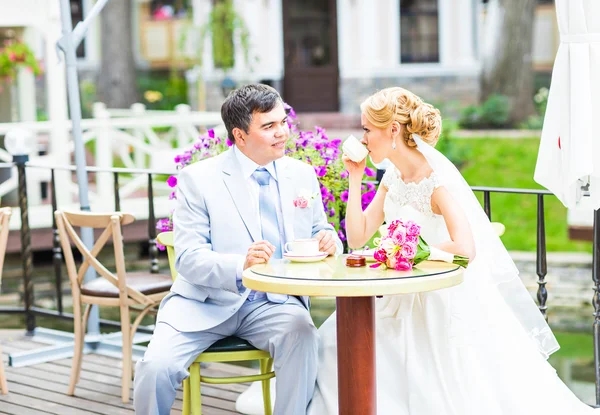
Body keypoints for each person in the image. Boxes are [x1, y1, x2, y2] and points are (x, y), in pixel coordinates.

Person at [308, 87, 599, 414]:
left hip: (437, 298)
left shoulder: (436, 181)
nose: (361, 138)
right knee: (334, 341)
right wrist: (355, 178)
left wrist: (408, 252)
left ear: (392, 130)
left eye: (366, 129)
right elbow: (359, 237)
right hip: (395, 295)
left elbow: (466, 247)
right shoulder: (392, 176)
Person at [134, 84, 343, 415]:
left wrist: (331, 238)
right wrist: (240, 264)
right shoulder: (198, 179)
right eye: (269, 126)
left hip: (272, 304)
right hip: (202, 304)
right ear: (240, 135)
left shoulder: (301, 174)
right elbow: (188, 259)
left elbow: (319, 228)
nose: (282, 133)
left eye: (282, 122)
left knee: (303, 333)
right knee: (155, 368)